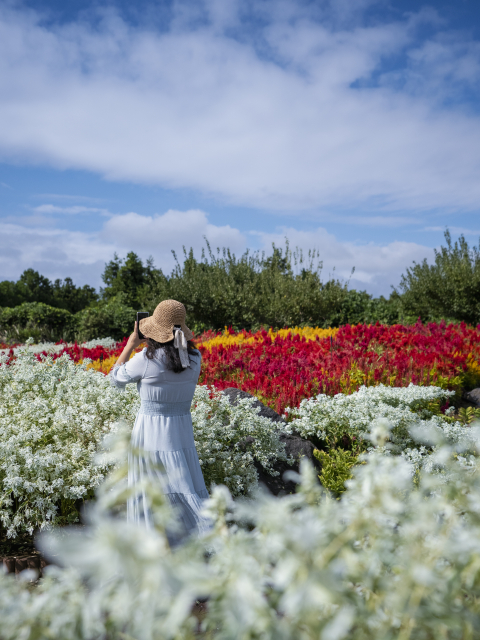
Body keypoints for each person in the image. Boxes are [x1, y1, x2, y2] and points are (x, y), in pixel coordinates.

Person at [110, 299, 210, 538]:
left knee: (152, 489)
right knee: (183, 484)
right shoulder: (194, 359)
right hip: (181, 433)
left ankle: (155, 544)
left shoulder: (146, 359)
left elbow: (115, 379)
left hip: (150, 435)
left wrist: (131, 344)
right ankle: (192, 537)